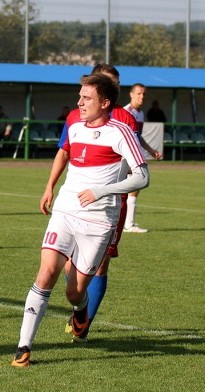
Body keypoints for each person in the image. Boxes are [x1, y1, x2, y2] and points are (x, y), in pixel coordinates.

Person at [12, 73, 150, 367]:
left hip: (99, 221)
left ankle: (80, 310)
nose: (79, 102)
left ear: (105, 103)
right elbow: (64, 155)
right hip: (65, 212)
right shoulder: (74, 126)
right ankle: (23, 347)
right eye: (80, 96)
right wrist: (50, 187)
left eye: (86, 98)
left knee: (74, 291)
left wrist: (102, 191)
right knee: (46, 273)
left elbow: (142, 176)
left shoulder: (120, 132)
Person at [53, 63, 139, 344]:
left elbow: (134, 165)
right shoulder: (76, 118)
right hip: (74, 202)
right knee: (68, 264)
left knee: (100, 266)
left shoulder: (125, 120)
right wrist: (49, 186)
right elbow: (65, 151)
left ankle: (84, 324)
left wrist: (110, 188)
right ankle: (79, 308)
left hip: (108, 205)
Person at [123, 83, 162, 233]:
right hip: (127, 155)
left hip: (136, 154)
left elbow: (138, 137)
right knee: (132, 186)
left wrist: (151, 150)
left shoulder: (140, 113)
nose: (142, 96)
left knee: (134, 187)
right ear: (131, 95)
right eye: (139, 93)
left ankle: (128, 223)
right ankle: (127, 224)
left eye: (144, 94)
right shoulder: (126, 112)